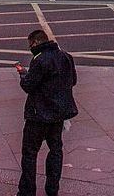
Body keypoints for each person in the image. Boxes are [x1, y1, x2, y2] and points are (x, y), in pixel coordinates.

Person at [17, 29, 78, 196]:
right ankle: (52, 190)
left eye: (31, 45)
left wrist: (23, 75)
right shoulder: (66, 56)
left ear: (36, 43)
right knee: (56, 150)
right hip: (58, 114)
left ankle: (27, 191)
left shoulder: (40, 60)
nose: (30, 48)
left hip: (38, 115)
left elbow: (28, 86)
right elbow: (73, 80)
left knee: (29, 154)